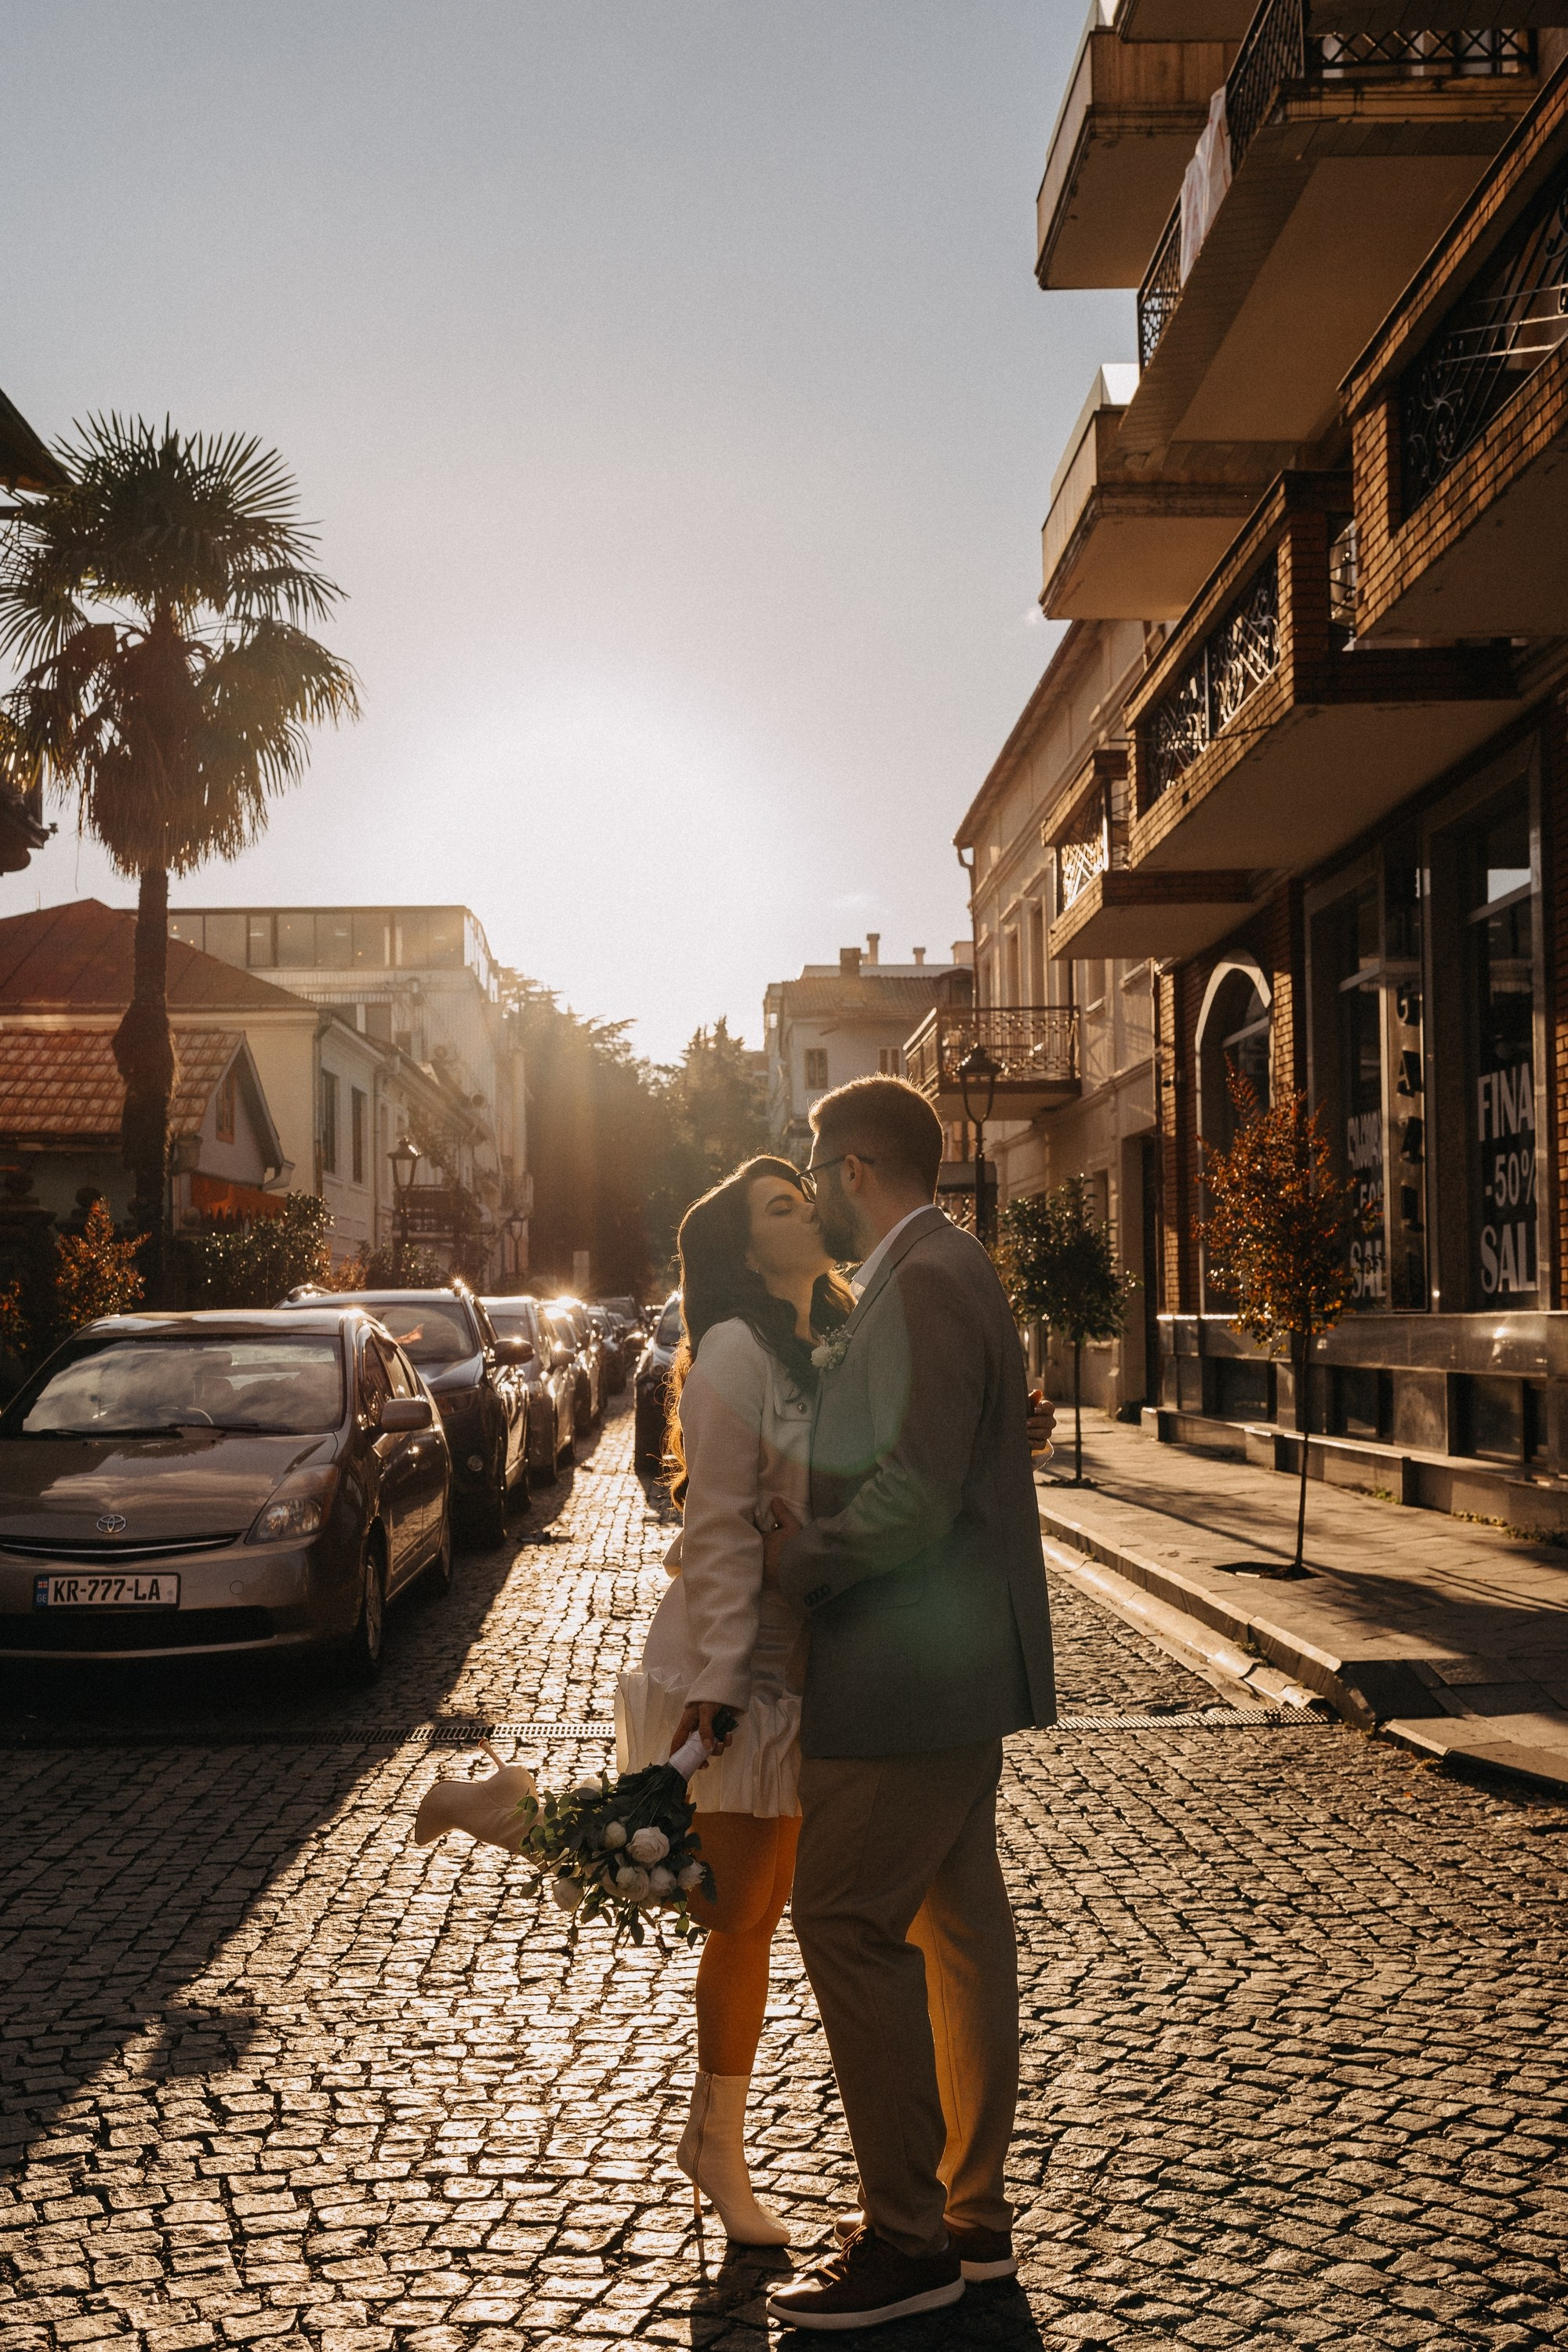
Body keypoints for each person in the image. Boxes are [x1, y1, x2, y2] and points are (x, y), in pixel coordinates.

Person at [759, 1076, 1058, 2335]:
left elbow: (918, 1492)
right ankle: (969, 2220)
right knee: (960, 1936)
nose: (811, 1193)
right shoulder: (937, 1267)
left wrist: (801, 1556)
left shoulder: (925, 1276)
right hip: (949, 1671)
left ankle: (909, 2240)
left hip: (908, 1672)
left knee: (841, 1918)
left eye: (815, 1171)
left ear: (856, 1169)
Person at [614, 1153, 855, 2246]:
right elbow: (717, 1520)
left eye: (804, 1197)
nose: (806, 1213)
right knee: (736, 1906)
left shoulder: (822, 1338)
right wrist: (720, 1679)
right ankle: (717, 2143)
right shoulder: (734, 1348)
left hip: (803, 1659)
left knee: (752, 1911)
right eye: (780, 1207)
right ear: (743, 1250)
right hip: (739, 1659)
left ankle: (714, 2139)